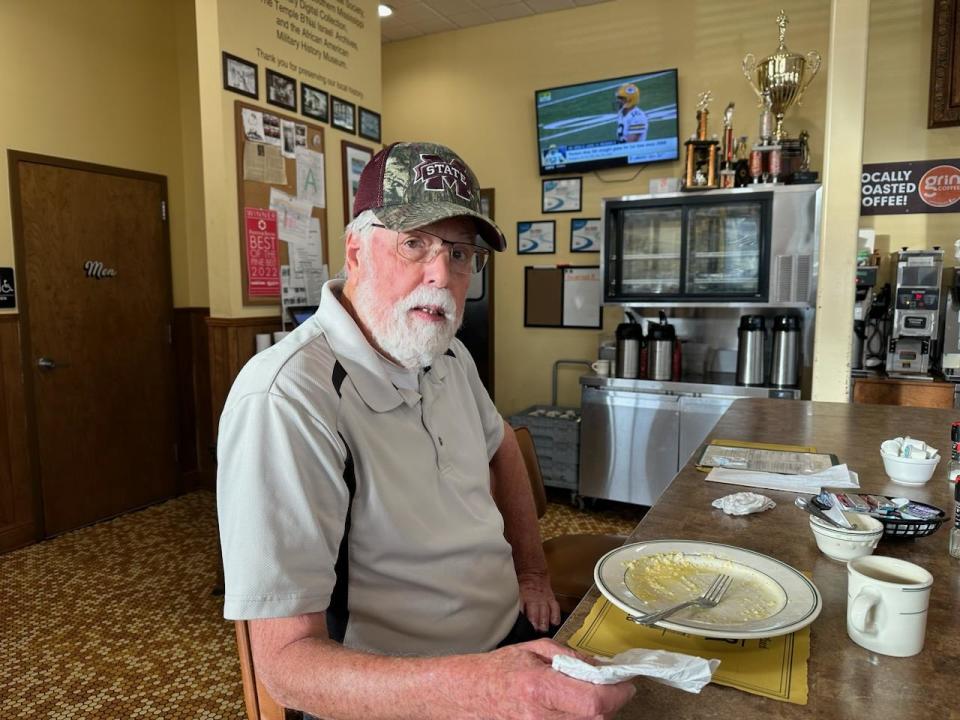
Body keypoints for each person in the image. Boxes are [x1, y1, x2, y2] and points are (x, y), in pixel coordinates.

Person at [217, 142, 636, 720]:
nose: (441, 274)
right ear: (356, 251)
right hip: (402, 694)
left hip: (511, 642)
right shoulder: (288, 397)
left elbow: (503, 451)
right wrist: (486, 689)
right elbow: (287, 666)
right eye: (415, 243)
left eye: (461, 253)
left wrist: (533, 573)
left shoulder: (449, 356)